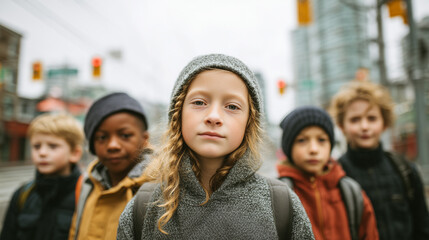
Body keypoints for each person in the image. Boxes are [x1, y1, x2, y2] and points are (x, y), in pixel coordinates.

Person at [117, 54, 314, 239]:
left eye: (232, 107)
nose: (213, 116)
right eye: (200, 102)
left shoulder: (281, 204)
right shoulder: (144, 206)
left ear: (249, 122)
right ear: (178, 114)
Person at [330, 80, 429, 240]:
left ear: (384, 123)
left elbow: (423, 227)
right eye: (355, 119)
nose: (364, 126)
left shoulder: (404, 170)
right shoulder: (335, 175)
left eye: (372, 118)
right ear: (342, 126)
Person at [276, 106, 379, 240]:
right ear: (288, 147)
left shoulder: (351, 192)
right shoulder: (279, 196)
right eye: (302, 140)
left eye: (321, 140)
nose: (313, 149)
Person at [68, 92, 151, 240]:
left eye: (125, 135)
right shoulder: (86, 185)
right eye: (102, 137)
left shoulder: (160, 190)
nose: (113, 145)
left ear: (144, 140)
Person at [0, 113, 84, 240]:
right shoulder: (23, 194)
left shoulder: (85, 196)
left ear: (75, 153)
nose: (42, 153)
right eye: (36, 146)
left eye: (52, 146)